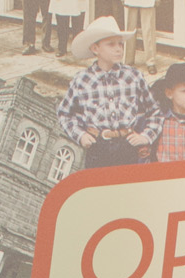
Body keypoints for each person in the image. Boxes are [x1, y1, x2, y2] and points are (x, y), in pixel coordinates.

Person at [56, 16, 162, 168]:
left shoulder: (133, 76)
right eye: (111, 44)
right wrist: (81, 135)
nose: (119, 48)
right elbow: (65, 113)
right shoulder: (82, 80)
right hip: (98, 147)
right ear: (95, 49)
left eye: (120, 43)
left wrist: (146, 136)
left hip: (127, 147)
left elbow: (154, 111)